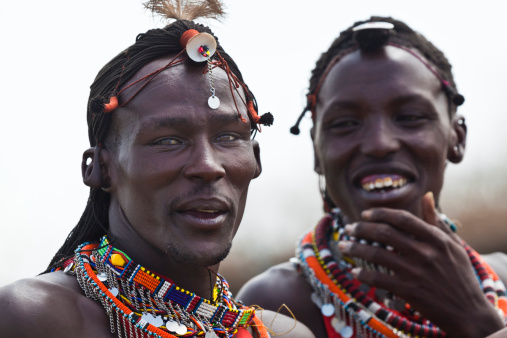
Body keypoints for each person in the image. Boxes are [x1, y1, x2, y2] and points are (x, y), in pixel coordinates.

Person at [0, 1, 314, 337]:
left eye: (227, 137)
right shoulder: (37, 317)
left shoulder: (281, 333)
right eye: (168, 141)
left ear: (255, 160)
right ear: (101, 169)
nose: (208, 167)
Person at [237, 17, 507, 338]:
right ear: (316, 150)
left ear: (457, 138)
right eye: (345, 123)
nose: (380, 144)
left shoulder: (501, 279)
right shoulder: (275, 307)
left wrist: (475, 319)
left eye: (409, 117)